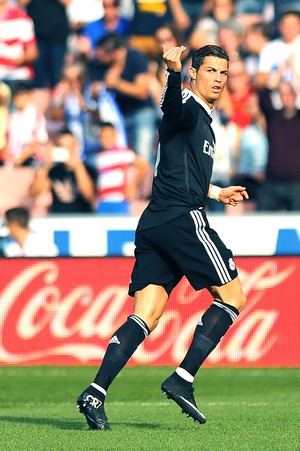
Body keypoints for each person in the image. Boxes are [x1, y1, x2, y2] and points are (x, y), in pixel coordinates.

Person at [77, 44, 248, 430]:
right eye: (211, 71)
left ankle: (95, 392)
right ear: (194, 73)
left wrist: (218, 192)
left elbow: (179, 170)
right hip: (181, 220)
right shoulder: (186, 105)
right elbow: (171, 110)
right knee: (233, 297)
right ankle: (182, 378)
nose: (218, 78)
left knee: (146, 315)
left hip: (155, 222)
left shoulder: (201, 118)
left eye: (224, 72)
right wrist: (171, 75)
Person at [29, 128, 97, 213]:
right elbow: (34, 193)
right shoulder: (54, 170)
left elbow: (89, 196)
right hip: (59, 219)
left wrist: (78, 167)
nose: (68, 150)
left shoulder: (89, 169)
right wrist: (46, 166)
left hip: (82, 219)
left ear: (77, 146)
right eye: (63, 146)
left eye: (70, 146)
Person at [257, 81, 300, 211]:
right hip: (272, 183)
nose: (287, 98)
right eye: (283, 94)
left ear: (295, 95)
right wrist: (274, 82)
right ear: (280, 98)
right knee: (263, 220)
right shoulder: (273, 117)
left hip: (297, 184)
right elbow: (263, 97)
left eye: (289, 94)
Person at [93, 122, 150, 214]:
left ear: (115, 136)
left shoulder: (123, 153)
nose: (106, 140)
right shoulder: (97, 157)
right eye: (103, 137)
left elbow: (143, 166)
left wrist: (132, 187)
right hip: (102, 202)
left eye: (109, 136)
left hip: (119, 200)